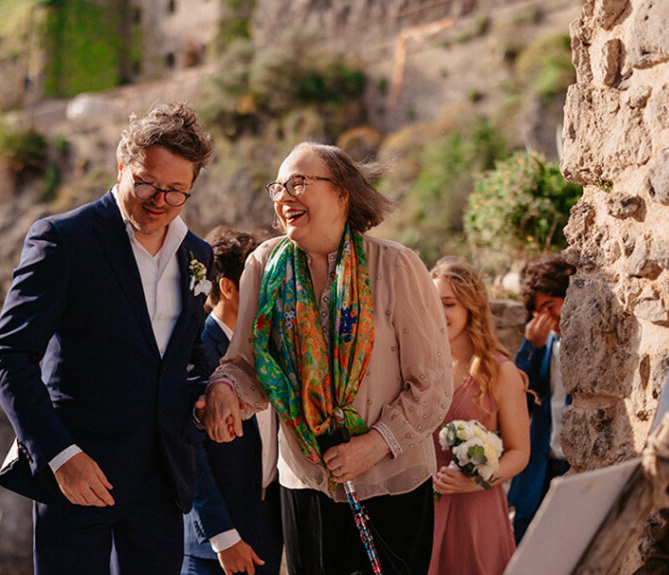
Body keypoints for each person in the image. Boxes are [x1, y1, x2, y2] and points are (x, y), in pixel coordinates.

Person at [199, 142, 453, 575]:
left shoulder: (396, 266)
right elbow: (245, 364)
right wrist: (224, 387)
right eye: (278, 187)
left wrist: (375, 444)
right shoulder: (263, 264)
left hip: (391, 485)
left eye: (298, 183)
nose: (283, 196)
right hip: (305, 486)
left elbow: (433, 385)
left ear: (342, 193)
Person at [0, 102, 215, 575]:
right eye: (147, 183)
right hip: (77, 477)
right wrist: (60, 456)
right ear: (121, 166)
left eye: (176, 191)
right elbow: (9, 355)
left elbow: (187, 353)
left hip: (161, 485)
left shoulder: (198, 254)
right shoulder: (62, 238)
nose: (160, 200)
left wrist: (210, 393)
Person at [182, 227, 284, 575]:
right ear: (228, 287)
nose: (271, 292)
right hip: (215, 549)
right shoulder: (195, 351)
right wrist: (223, 536)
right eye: (260, 282)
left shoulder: (272, 350)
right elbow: (189, 453)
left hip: (269, 533)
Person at [428, 257, 530, 575]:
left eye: (448, 304)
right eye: (432, 302)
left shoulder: (500, 372)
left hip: (475, 508)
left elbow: (519, 452)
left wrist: (474, 481)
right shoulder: (420, 366)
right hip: (422, 508)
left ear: (471, 308)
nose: (438, 312)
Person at [506, 256, 576, 543]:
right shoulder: (543, 343)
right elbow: (517, 398)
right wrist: (530, 347)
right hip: (539, 471)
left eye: (549, 306)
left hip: (572, 469)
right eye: (539, 312)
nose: (547, 318)